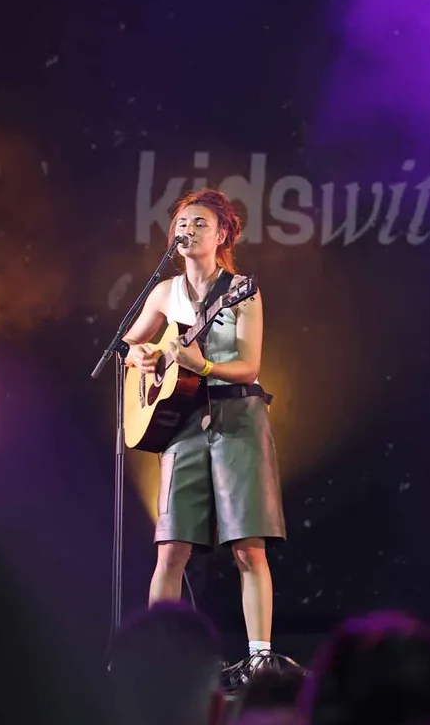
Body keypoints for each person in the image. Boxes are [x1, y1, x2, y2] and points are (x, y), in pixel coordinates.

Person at [122, 187, 287, 685]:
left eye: (200, 224)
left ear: (222, 235)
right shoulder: (164, 291)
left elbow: (249, 365)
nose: (188, 230)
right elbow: (129, 342)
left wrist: (204, 364)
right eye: (182, 223)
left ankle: (259, 658)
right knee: (171, 548)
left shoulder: (242, 290)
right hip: (183, 424)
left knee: (247, 547)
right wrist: (140, 355)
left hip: (237, 419)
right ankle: (158, 655)